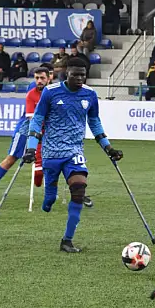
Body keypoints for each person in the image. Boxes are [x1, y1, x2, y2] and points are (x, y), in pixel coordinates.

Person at [22, 58, 122, 253]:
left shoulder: (90, 95)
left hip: (74, 151)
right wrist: (31, 148)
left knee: (79, 190)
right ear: (66, 73)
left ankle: (67, 240)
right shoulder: (51, 92)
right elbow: (37, 120)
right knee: (49, 198)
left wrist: (108, 147)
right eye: (75, 74)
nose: (79, 78)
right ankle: (48, 198)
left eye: (82, 75)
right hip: (51, 152)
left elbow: (94, 122)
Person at [0, 68, 50, 201]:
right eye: (37, 78)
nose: (39, 81)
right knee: (12, 158)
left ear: (49, 78)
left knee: (50, 161)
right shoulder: (32, 91)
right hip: (26, 129)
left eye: (42, 78)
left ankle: (50, 190)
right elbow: (32, 118)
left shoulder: (53, 92)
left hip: (45, 130)